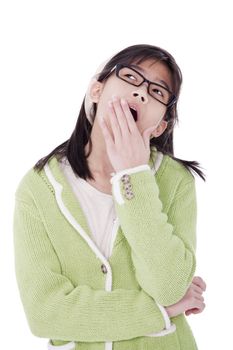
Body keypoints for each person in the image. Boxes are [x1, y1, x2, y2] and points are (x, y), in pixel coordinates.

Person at [13, 44, 207, 350]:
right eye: (131, 77)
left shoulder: (176, 182)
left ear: (160, 126)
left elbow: (168, 286)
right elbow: (45, 313)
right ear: (96, 90)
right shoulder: (38, 188)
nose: (142, 93)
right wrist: (158, 312)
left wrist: (133, 176)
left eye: (158, 92)